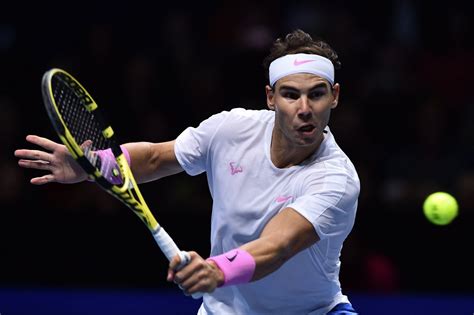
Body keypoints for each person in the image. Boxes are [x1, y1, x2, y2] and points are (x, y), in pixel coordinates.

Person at [15, 29, 360, 315]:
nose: (304, 109)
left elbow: (276, 245)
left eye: (316, 95)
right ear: (270, 98)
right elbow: (154, 158)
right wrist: (90, 165)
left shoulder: (336, 178)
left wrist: (215, 270)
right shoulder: (231, 129)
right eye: (290, 95)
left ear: (334, 97)